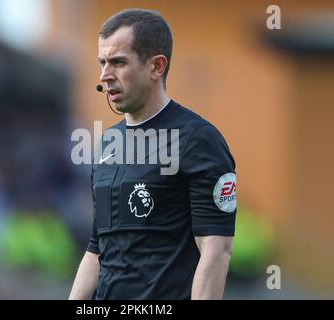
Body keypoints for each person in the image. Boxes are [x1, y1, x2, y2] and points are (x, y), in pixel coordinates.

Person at [69, 8, 236, 300]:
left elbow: (216, 249)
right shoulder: (108, 143)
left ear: (156, 66)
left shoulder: (198, 140)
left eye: (118, 62)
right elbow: (97, 249)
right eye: (102, 63)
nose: (105, 76)